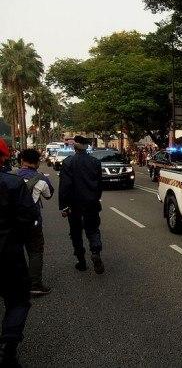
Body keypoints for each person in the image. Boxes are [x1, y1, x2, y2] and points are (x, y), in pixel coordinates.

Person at [0, 139, 40, 366]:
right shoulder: (13, 184)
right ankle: (8, 346)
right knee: (17, 301)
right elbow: (29, 218)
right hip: (8, 254)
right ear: (5, 158)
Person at [58, 136, 105, 274]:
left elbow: (64, 186)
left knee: (76, 233)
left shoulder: (68, 162)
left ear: (74, 147)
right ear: (86, 146)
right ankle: (95, 251)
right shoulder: (95, 162)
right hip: (91, 203)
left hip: (74, 205)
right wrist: (96, 198)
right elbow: (99, 185)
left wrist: (64, 205)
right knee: (93, 229)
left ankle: (81, 261)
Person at [17, 149, 54, 296]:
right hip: (32, 222)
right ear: (38, 162)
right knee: (35, 251)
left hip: (11, 222)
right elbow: (49, 195)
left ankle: (12, 283)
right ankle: (35, 285)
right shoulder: (41, 179)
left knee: (13, 251)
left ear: (21, 161)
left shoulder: (10, 175)